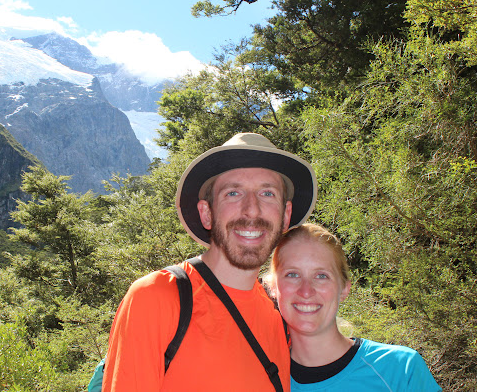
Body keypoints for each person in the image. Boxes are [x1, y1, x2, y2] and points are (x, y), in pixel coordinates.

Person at [101, 133, 318, 391]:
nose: (252, 209)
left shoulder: (279, 315)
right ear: (207, 213)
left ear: (285, 215)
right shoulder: (158, 298)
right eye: (233, 193)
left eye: (267, 193)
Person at [267, 223, 441, 391]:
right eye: (292, 274)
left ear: (344, 289)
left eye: (321, 276)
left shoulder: (400, 370)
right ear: (273, 287)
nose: (306, 291)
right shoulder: (263, 380)